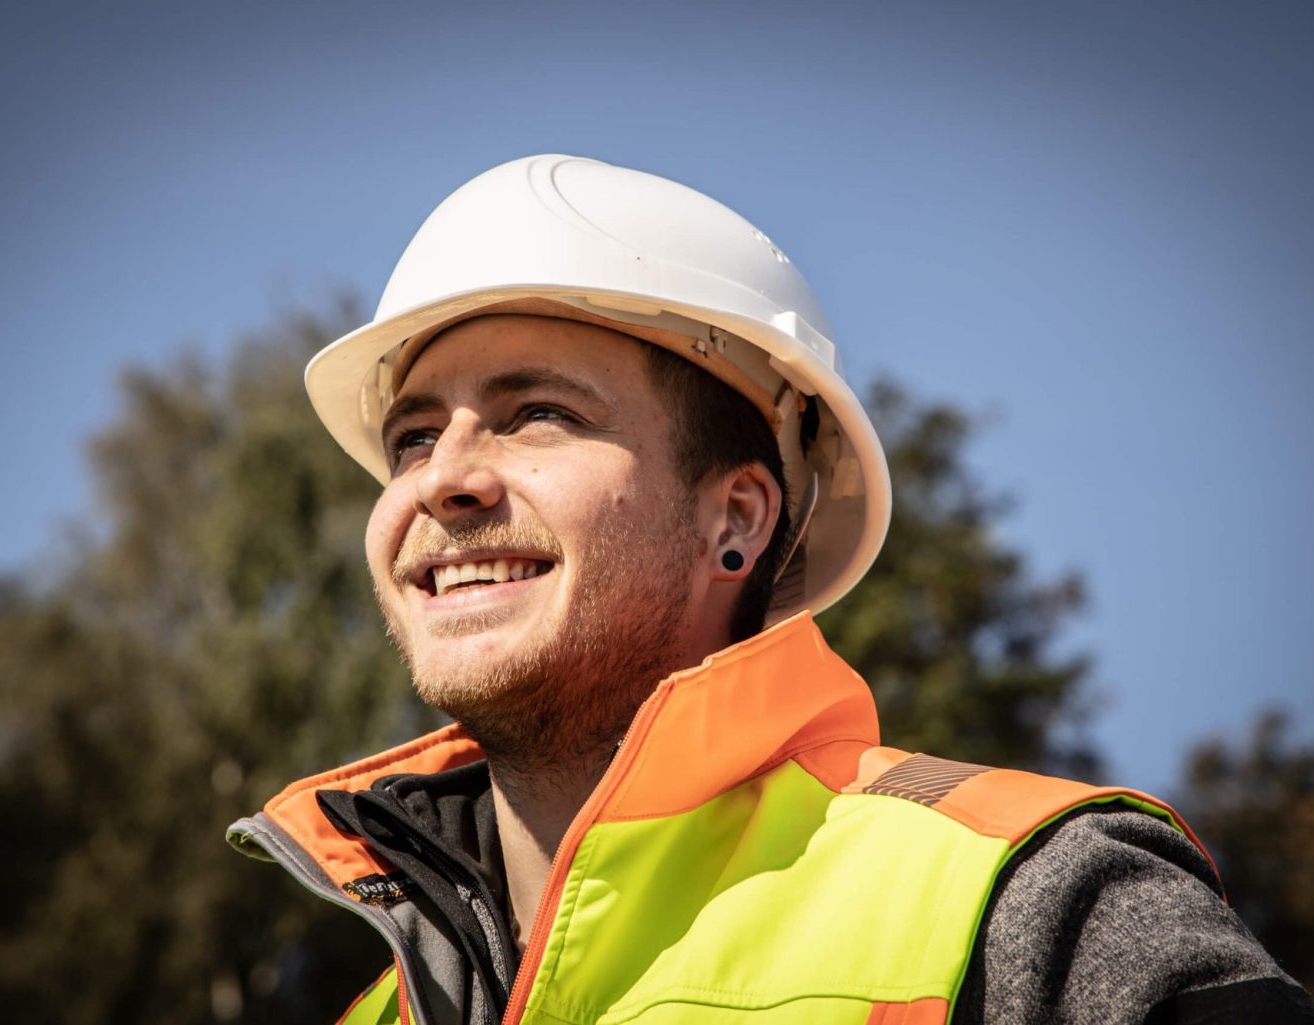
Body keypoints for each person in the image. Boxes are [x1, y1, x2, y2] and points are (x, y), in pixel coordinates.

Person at [228, 155, 1312, 1025]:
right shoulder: (381, 1009)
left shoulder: (1026, 896)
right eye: (414, 435)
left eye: (537, 414)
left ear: (735, 517)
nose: (443, 479)